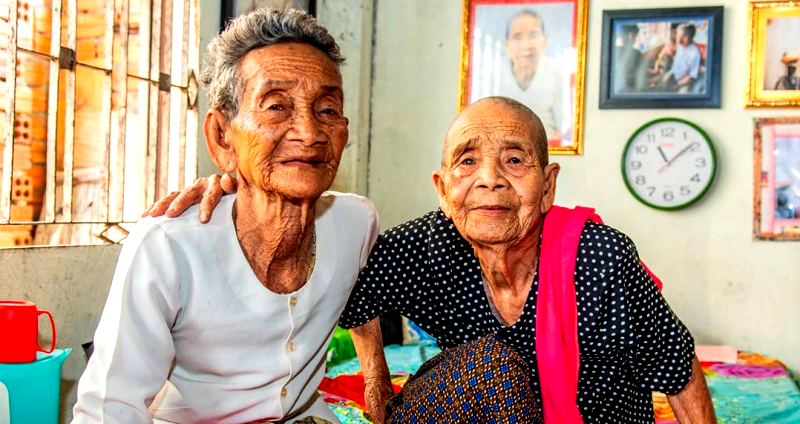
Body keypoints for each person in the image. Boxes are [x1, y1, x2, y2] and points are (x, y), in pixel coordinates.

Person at [151, 97, 716, 424]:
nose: (489, 178)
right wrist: (375, 382)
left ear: (547, 187)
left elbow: (681, 375)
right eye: (467, 162)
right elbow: (358, 295)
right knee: (491, 367)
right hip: (470, 408)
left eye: (514, 160)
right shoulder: (422, 248)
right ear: (444, 189)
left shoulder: (601, 262)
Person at [71, 8, 379, 424]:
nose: (309, 132)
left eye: (327, 109)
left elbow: (374, 294)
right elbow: (107, 410)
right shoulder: (167, 246)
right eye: (276, 106)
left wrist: (377, 383)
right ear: (221, 136)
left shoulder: (356, 223)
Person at [492, 9, 564, 143]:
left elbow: (564, 129)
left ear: (544, 41)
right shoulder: (493, 75)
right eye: (517, 37)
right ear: (506, 45)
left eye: (534, 35)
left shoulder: (556, 72)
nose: (526, 45)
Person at [660, 24, 702, 93]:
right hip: (672, 75)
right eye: (677, 35)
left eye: (678, 35)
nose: (676, 38)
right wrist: (668, 74)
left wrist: (676, 85)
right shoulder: (680, 44)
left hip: (682, 83)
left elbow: (690, 76)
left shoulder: (694, 53)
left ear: (686, 38)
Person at [614, 24, 647, 93]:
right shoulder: (638, 55)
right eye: (636, 36)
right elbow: (641, 84)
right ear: (631, 36)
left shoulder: (614, 52)